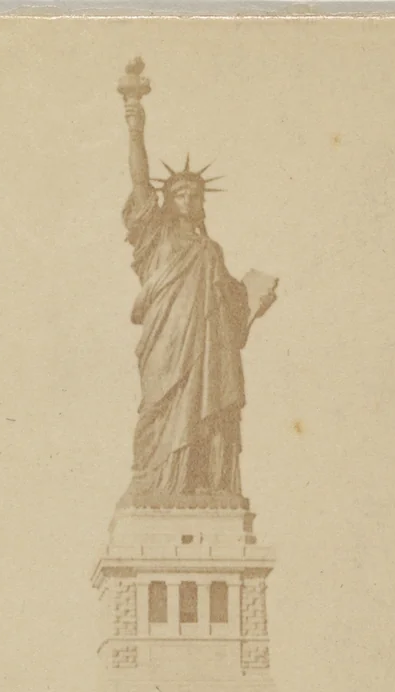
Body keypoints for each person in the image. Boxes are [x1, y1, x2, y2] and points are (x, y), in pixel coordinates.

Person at [121, 95, 277, 502]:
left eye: (196, 196)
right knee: (159, 409)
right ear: (168, 202)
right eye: (181, 195)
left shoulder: (211, 249)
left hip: (209, 349)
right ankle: (157, 483)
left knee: (209, 413)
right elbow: (140, 185)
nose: (189, 201)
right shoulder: (155, 237)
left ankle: (201, 483)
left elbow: (232, 301)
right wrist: (135, 125)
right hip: (167, 344)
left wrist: (255, 299)